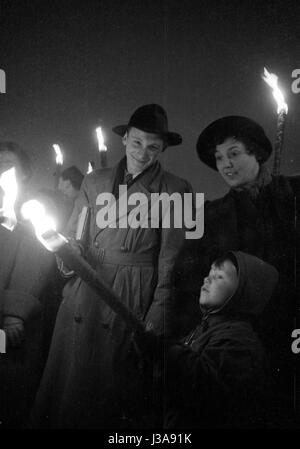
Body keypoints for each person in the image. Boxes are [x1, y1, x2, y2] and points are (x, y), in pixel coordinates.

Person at [31, 104, 193, 428]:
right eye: (137, 143)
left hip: (129, 296)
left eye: (153, 147)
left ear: (162, 149)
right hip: (86, 288)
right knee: (70, 387)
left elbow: (170, 260)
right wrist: (66, 252)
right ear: (125, 140)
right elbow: (78, 234)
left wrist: (157, 315)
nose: (143, 153)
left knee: (113, 390)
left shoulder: (176, 189)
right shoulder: (94, 181)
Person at [172, 116, 300, 426]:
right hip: (240, 346)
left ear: (256, 152)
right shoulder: (213, 216)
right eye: (218, 157)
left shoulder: (293, 196)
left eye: (234, 153)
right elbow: (188, 282)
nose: (225, 164)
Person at [136, 251, 278, 428]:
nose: (207, 279)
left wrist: (162, 350)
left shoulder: (240, 342)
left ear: (242, 292)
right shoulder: (207, 328)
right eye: (209, 273)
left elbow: (203, 384)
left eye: (219, 276)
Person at [0, 141, 54, 428]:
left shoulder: (32, 209)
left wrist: (14, 312)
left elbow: (36, 257)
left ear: (23, 173)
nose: (1, 169)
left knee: (10, 398)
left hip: (13, 328)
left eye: (8, 164)